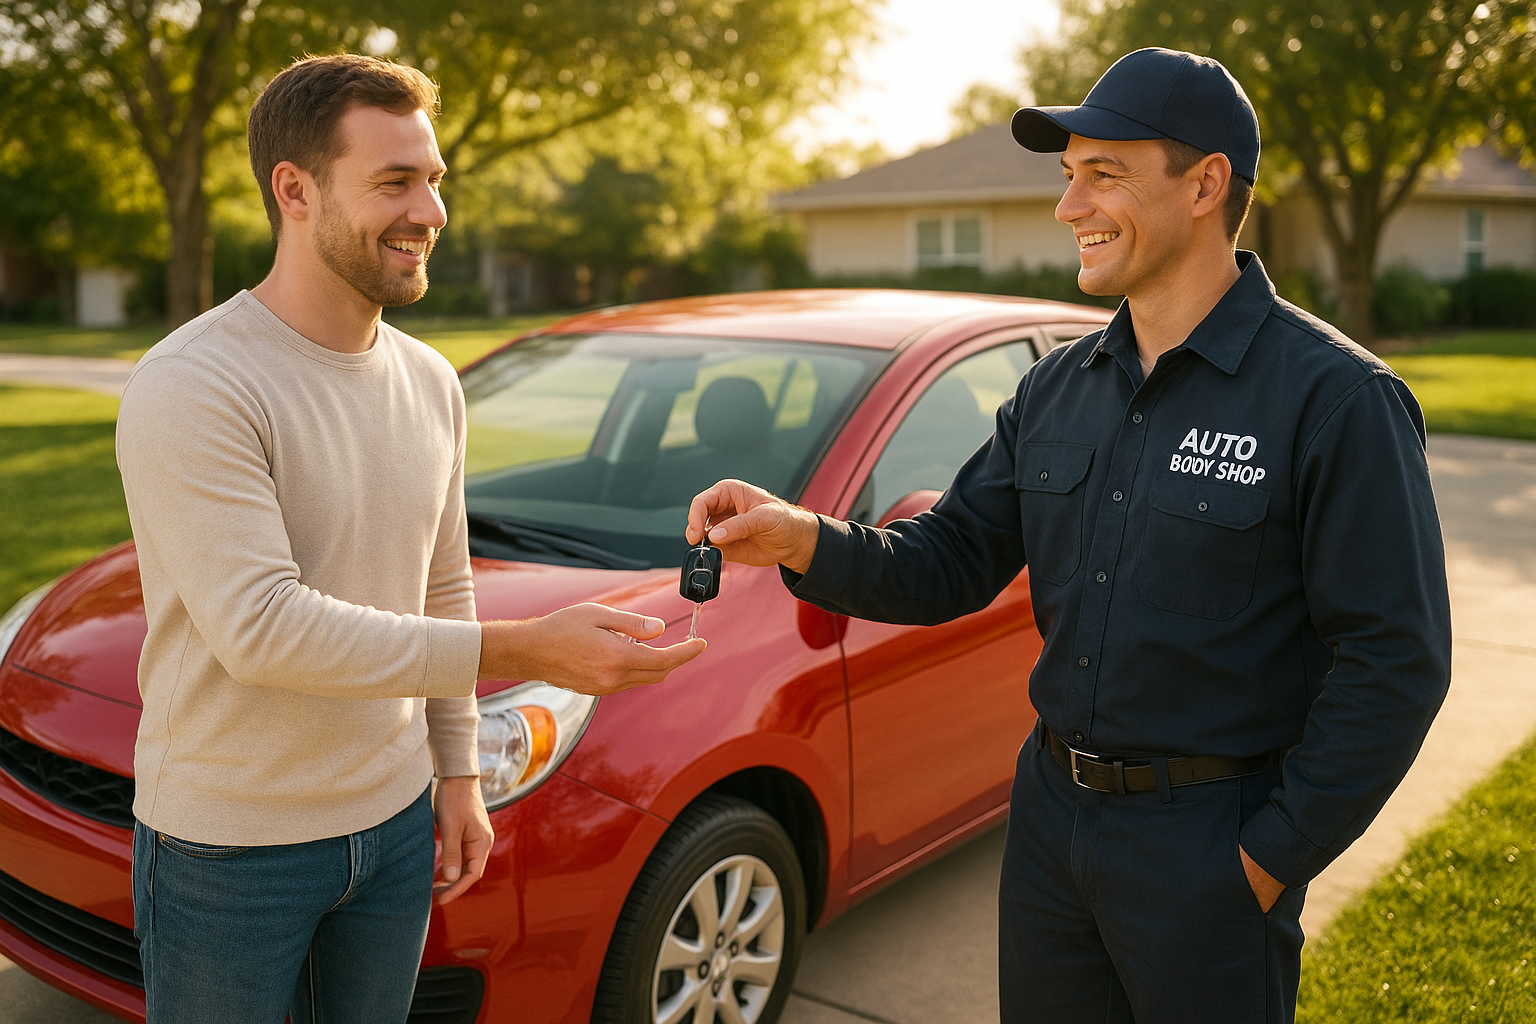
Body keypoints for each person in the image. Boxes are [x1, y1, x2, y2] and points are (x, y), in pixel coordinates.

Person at [686, 47, 1450, 1023]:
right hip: (1049, 822)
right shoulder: (1055, 387)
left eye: (1104, 174)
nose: (1068, 207)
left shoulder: (1337, 400)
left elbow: (1397, 660)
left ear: (1207, 183)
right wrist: (799, 535)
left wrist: (1267, 859)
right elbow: (946, 562)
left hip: (1210, 846)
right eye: (1067, 176)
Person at [116, 54, 704, 1024]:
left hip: (390, 829)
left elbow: (440, 585)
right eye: (395, 181)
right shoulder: (198, 381)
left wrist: (458, 771)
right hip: (231, 848)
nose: (429, 210)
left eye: (433, 180)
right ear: (294, 191)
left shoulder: (430, 380)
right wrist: (528, 648)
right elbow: (263, 628)